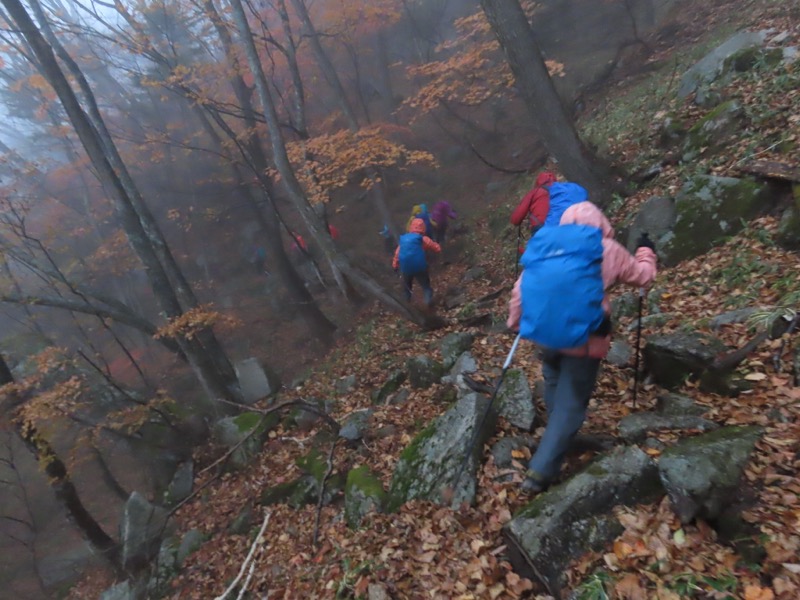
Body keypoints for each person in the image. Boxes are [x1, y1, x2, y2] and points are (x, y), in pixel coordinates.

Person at [507, 200, 657, 494]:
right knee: (572, 406)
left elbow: (519, 289)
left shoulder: (545, 249)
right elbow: (644, 277)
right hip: (584, 339)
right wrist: (646, 251)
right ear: (600, 221)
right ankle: (540, 471)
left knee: (553, 382)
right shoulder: (605, 248)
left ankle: (557, 436)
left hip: (545, 335)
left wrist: (516, 323)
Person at [393, 217, 441, 306]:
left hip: (405, 268)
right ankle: (428, 302)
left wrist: (395, 266)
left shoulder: (404, 239)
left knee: (407, 288)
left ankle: (406, 306)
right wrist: (438, 248)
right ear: (423, 227)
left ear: (411, 227)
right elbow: (435, 247)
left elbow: (397, 254)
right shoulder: (422, 238)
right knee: (425, 286)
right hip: (419, 267)